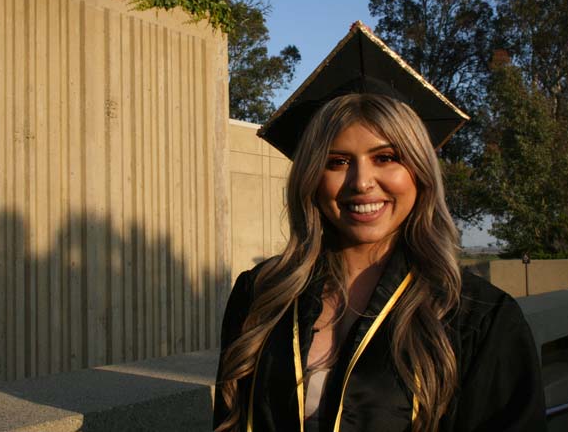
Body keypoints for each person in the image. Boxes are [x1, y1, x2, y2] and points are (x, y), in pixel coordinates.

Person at [214, 23, 546, 432]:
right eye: (337, 162)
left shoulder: (478, 317)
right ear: (311, 179)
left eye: (386, 157)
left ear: (419, 172)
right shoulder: (262, 295)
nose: (361, 182)